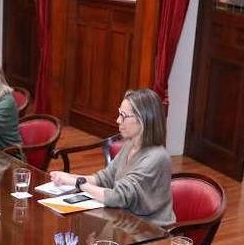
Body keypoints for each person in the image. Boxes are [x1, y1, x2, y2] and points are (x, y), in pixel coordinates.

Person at [49, 88, 173, 226]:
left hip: (150, 231)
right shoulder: (130, 144)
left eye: (123, 116)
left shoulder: (156, 158)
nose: (118, 120)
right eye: (119, 114)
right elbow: (105, 178)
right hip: (124, 222)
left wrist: (80, 183)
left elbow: (118, 197)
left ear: (143, 120)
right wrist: (69, 179)